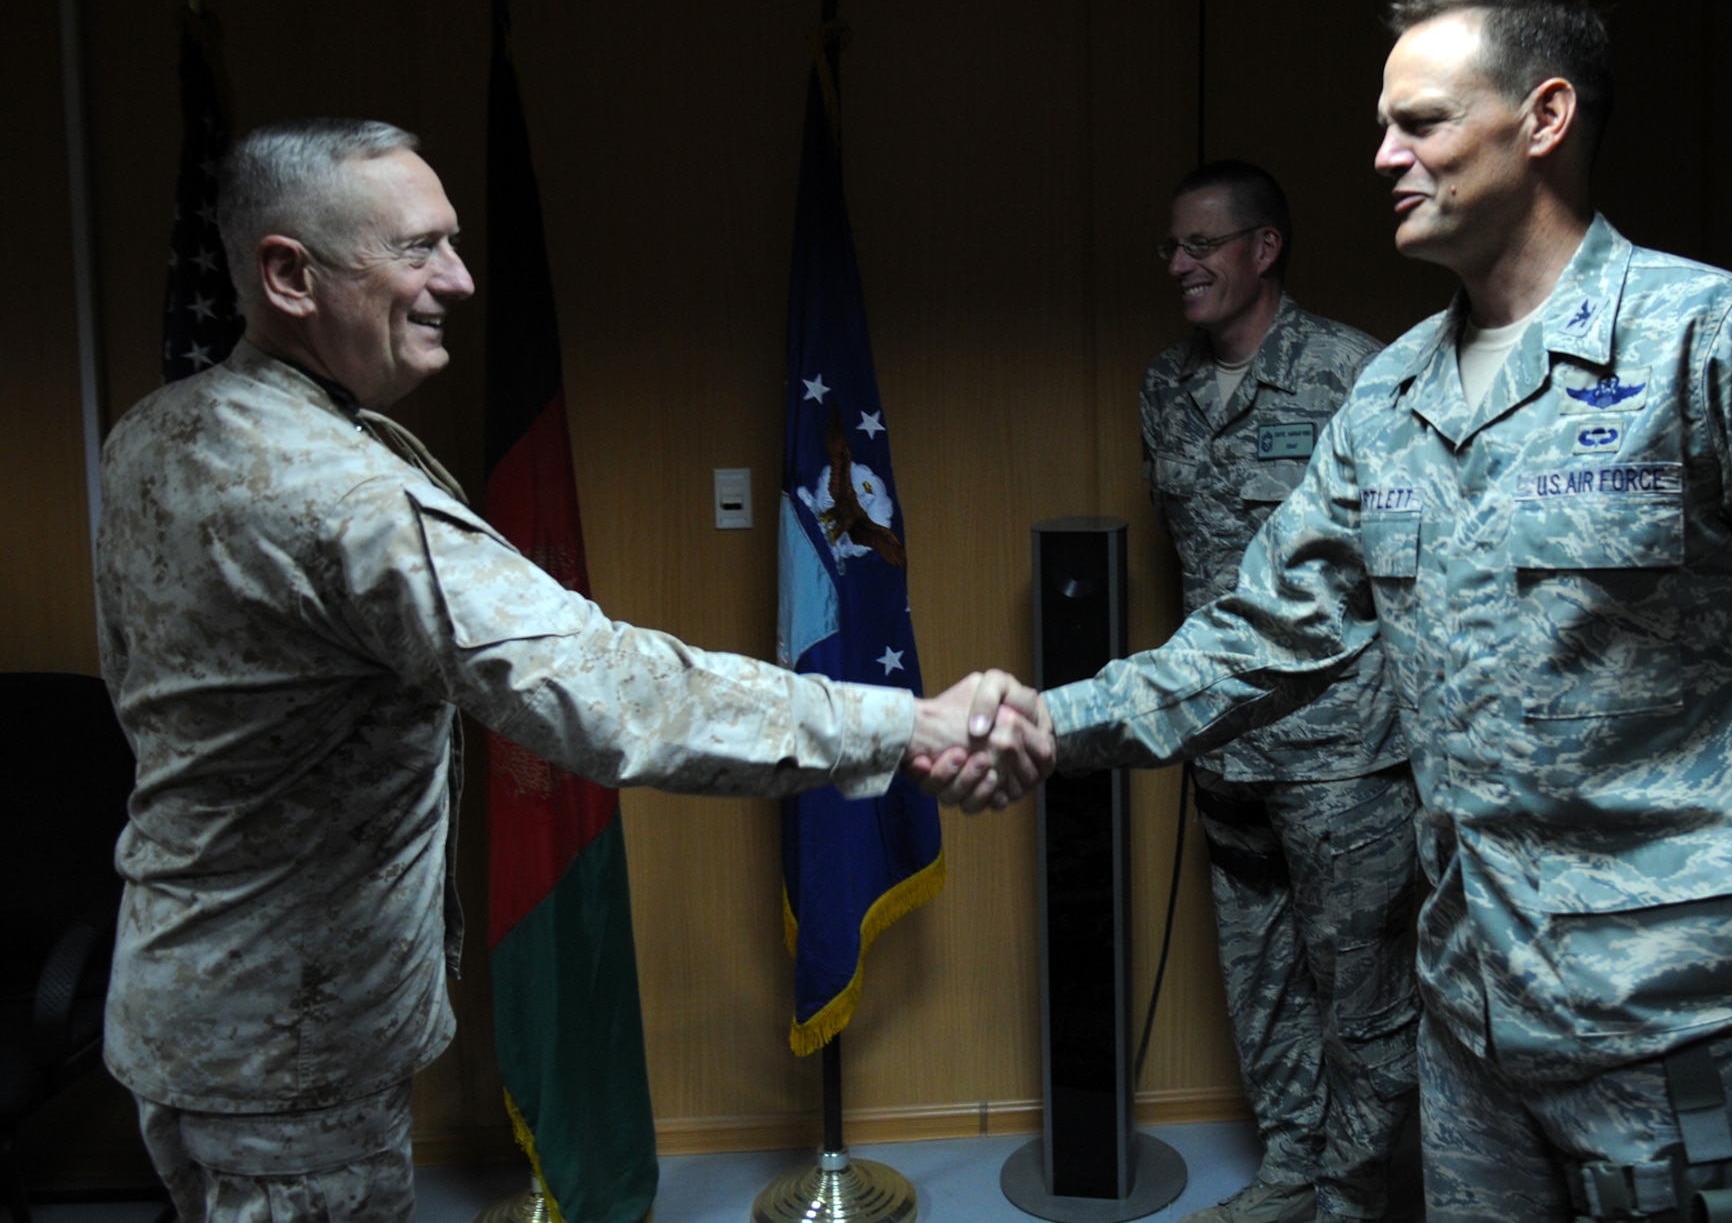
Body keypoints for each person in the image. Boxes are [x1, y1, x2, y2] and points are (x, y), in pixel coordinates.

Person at [977, 0, 1732, 1220]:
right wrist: (1046, 721)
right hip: (1467, 1011)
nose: (1381, 156)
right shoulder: (1391, 394)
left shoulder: (1705, 339)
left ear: (1543, 118)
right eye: (1383, 127)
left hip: (1678, 1020)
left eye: (1420, 122)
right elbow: (1263, 632)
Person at [92, 118, 1044, 1222]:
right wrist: (906, 724)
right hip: (289, 1056)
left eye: (454, 241)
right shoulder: (337, 495)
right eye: (417, 248)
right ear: (289, 275)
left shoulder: (151, 436)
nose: (459, 278)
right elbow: (608, 691)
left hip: (181, 1002)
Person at [1147, 160, 1417, 1223]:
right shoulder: (1164, 389)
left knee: (1361, 992)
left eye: (1200, 244)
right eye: (1171, 246)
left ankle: (1353, 1196)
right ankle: (1292, 1170)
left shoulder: (1358, 374)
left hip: (1341, 750)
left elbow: (1409, 564)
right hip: (1225, 745)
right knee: (1258, 977)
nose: (1179, 265)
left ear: (1263, 248)